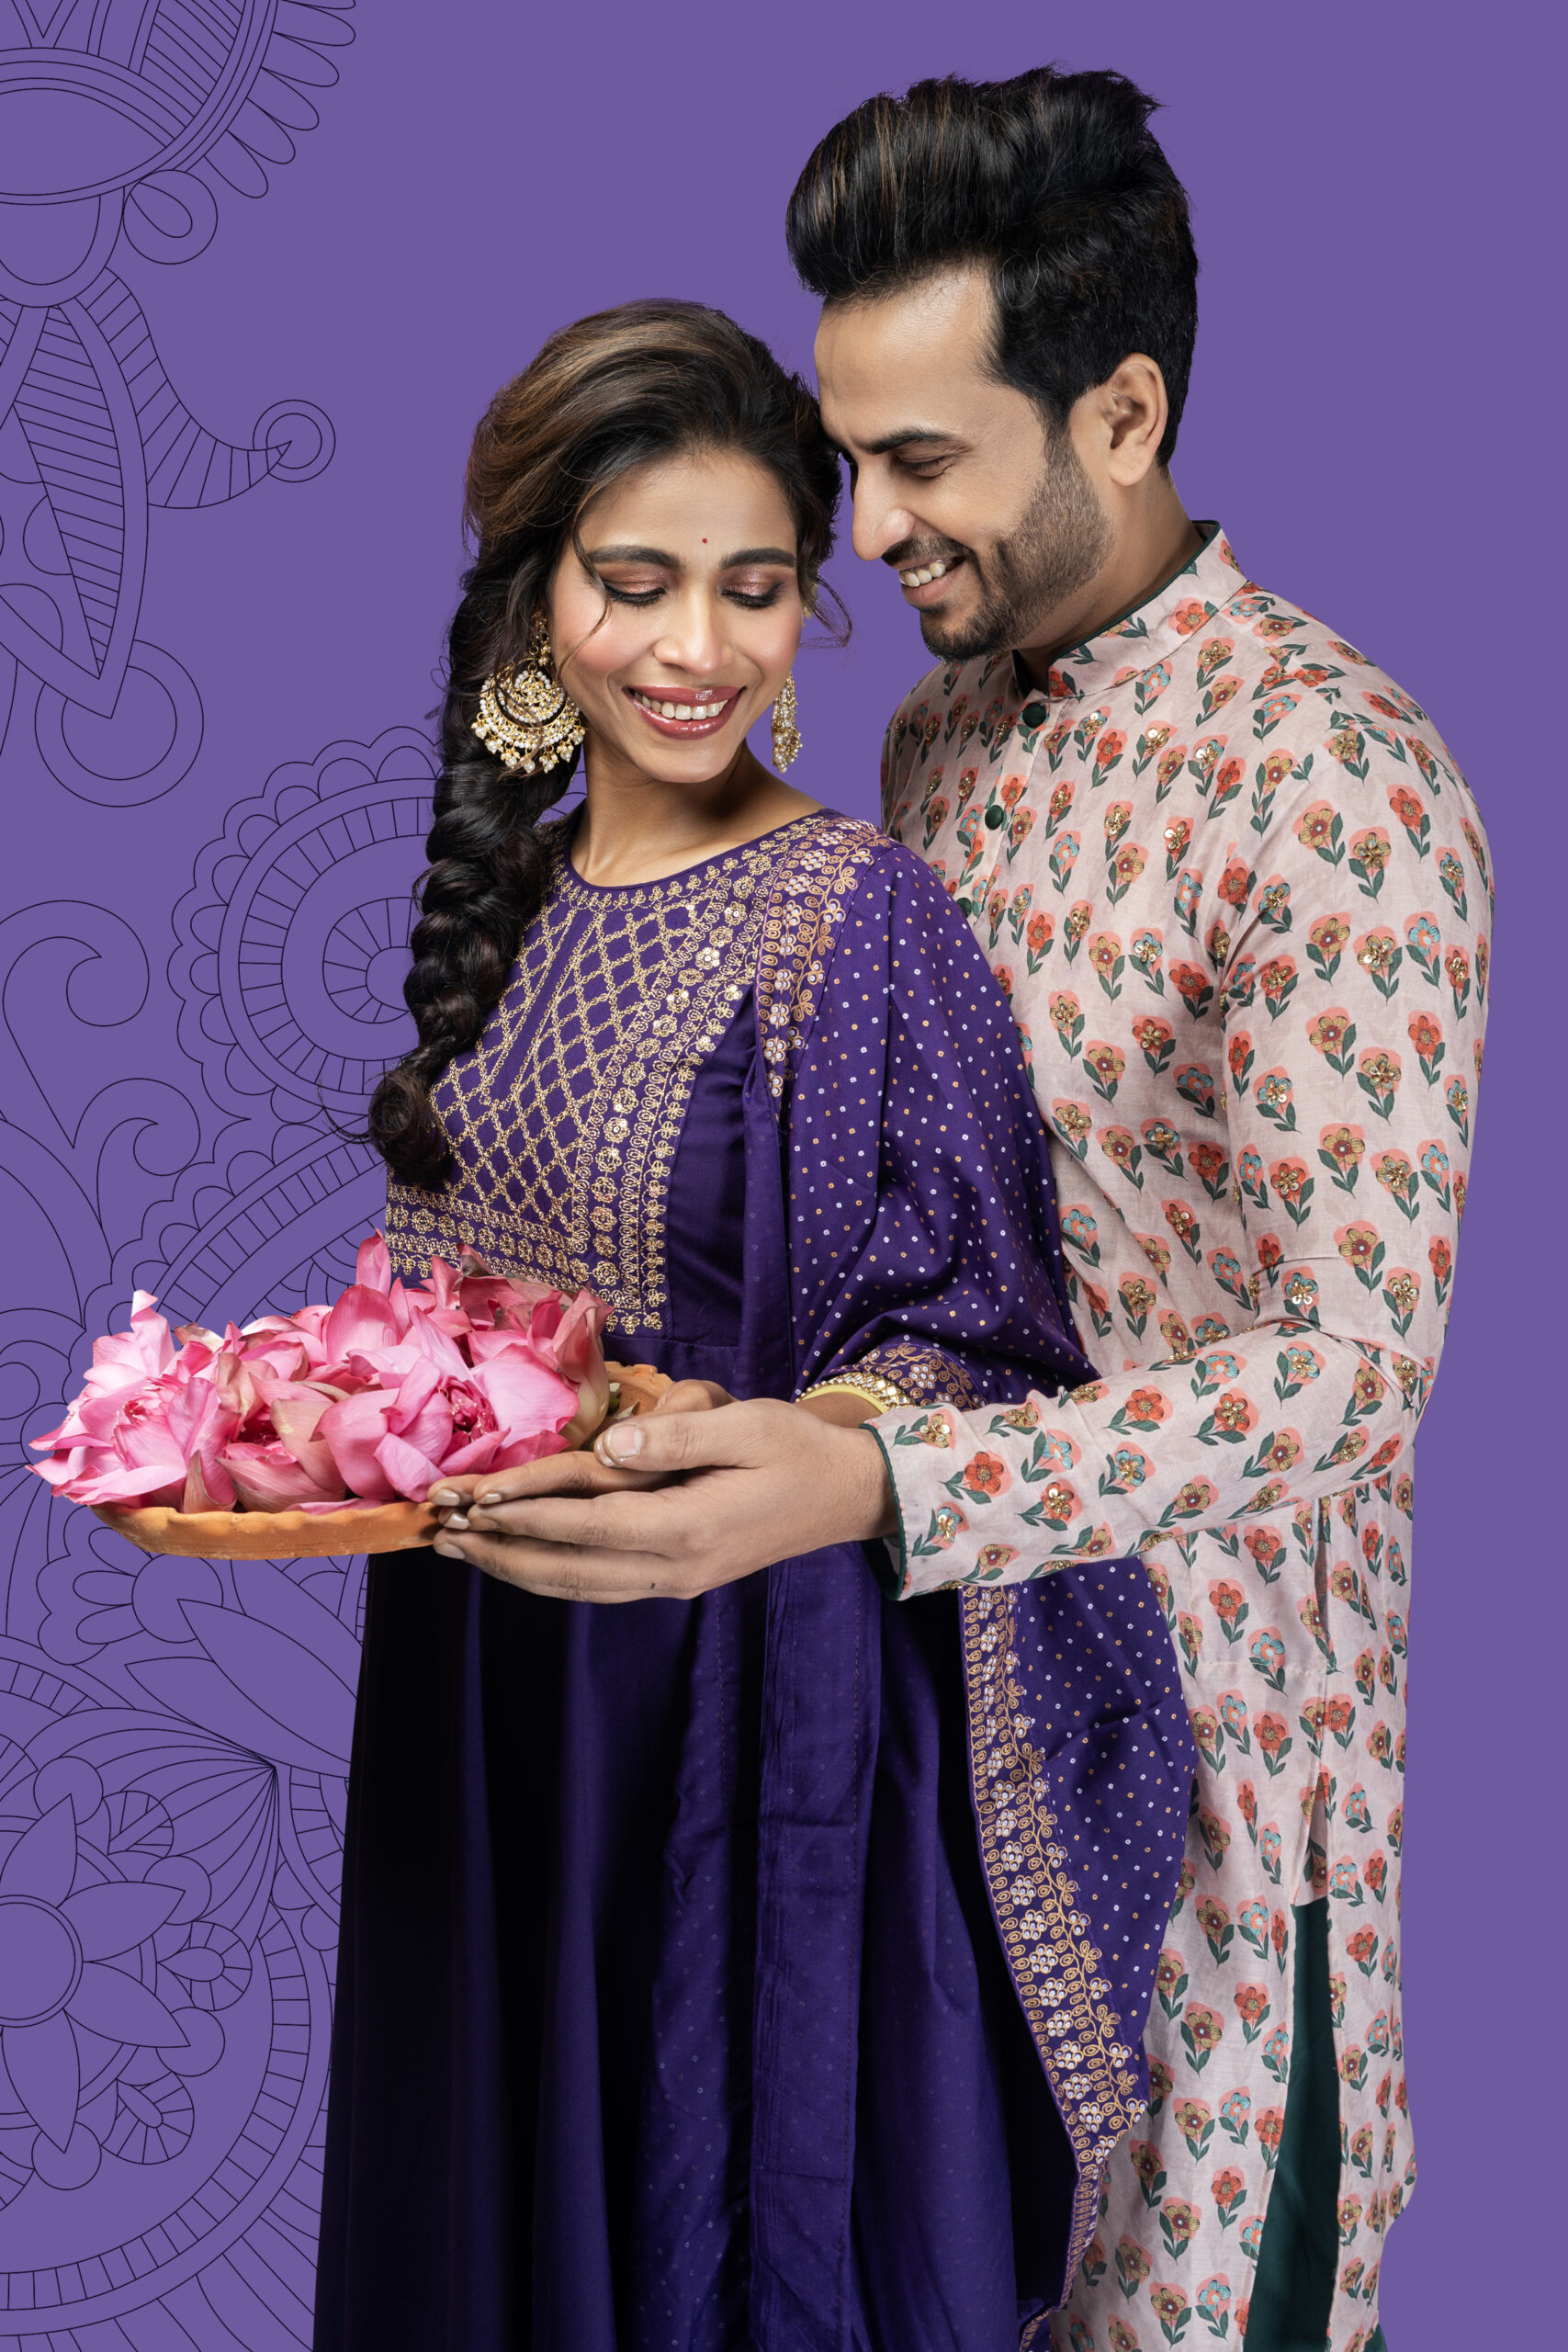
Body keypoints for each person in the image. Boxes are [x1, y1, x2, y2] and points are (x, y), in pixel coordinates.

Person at [445, 73, 1491, 2352]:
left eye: (921, 459)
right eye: (850, 457)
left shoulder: (1322, 777)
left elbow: (1353, 1372)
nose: (868, 524)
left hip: (1212, 1829)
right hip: (908, 1783)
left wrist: (887, 1476)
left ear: (1119, 413)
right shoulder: (942, 737)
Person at [314, 297, 1195, 2352]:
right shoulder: (511, 904)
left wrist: (811, 1445)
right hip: (477, 1697)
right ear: (537, 608)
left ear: (809, 607)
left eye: (754, 585)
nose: (695, 647)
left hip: (730, 1718)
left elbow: (986, 1331)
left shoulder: (857, 917)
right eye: (634, 585)